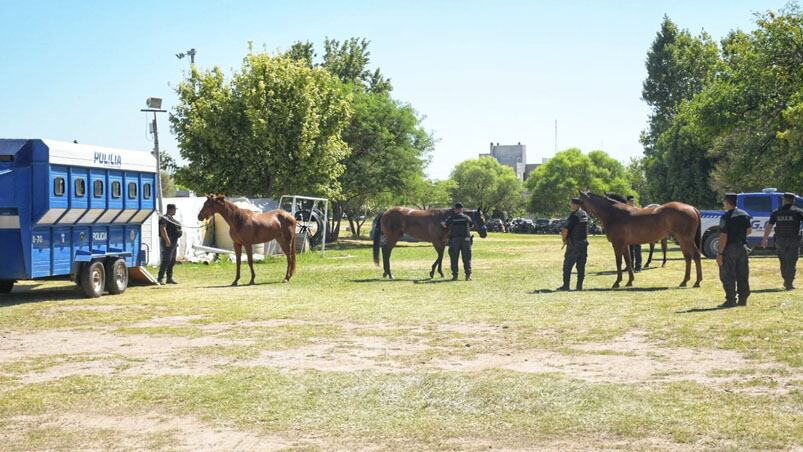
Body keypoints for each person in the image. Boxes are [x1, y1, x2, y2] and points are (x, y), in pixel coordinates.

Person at [761, 192, 803, 290]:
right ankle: (789, 282)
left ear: (784, 200)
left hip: (780, 240)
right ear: (793, 201)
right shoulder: (798, 212)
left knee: (783, 261)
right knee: (791, 261)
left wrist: (765, 239)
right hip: (793, 240)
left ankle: (786, 280)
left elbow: (769, 226)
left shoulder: (776, 212)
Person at [717, 193, 751, 307]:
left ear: (727, 202)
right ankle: (743, 299)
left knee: (727, 274)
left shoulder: (725, 217)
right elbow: (749, 231)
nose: (723, 204)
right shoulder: (744, 214)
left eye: (724, 202)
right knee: (742, 273)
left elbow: (723, 236)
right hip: (742, 247)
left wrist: (720, 253)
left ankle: (731, 300)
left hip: (729, 248)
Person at [558, 197, 589, 291]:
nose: (570, 205)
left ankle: (566, 286)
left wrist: (564, 240)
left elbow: (565, 230)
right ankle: (579, 286)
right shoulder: (584, 214)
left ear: (576, 205)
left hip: (574, 244)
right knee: (581, 266)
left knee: (567, 265)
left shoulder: (574, 215)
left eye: (571, 203)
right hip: (583, 243)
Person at [442, 202, 474, 281]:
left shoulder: (452, 218)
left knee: (454, 258)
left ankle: (455, 276)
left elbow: (445, 225)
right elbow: (472, 225)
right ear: (462, 209)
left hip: (455, 240)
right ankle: (468, 275)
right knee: (467, 258)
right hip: (466, 240)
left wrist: (442, 223)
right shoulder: (466, 217)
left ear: (455, 209)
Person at [157, 204, 182, 285]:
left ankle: (169, 278)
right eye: (174, 209)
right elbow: (162, 229)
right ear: (171, 209)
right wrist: (167, 240)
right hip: (168, 242)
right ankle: (160, 278)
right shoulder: (165, 218)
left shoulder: (171, 219)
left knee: (172, 260)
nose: (175, 211)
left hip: (174, 242)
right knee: (167, 260)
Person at [626, 195, 642, 272]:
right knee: (629, 250)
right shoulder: (625, 211)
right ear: (627, 202)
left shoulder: (637, 210)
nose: (632, 202)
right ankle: (630, 265)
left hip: (637, 233)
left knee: (637, 250)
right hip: (629, 233)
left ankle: (638, 267)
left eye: (633, 201)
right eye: (630, 201)